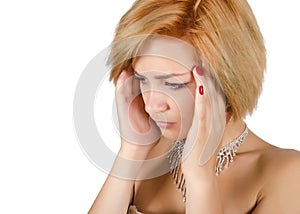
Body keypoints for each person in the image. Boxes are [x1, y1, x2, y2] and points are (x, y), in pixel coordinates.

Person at [89, 0, 300, 213]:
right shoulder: (145, 158)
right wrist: (131, 150)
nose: (151, 106)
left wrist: (200, 177)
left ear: (227, 78)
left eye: (173, 83)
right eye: (143, 80)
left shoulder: (288, 174)